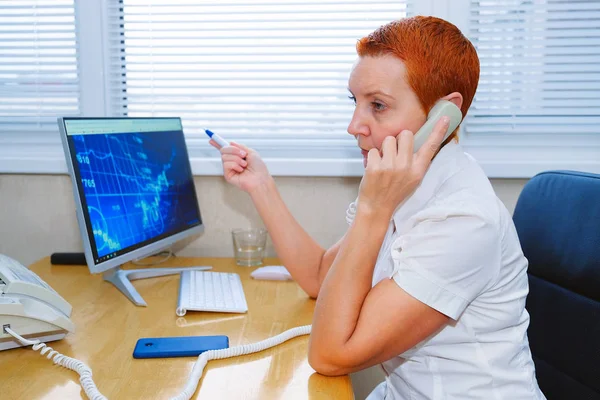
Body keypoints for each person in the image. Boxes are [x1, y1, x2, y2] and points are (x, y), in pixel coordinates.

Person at [210, 16, 545, 400]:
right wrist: (261, 186)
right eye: (356, 102)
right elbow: (321, 276)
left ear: (444, 114)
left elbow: (331, 355)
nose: (355, 125)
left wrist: (374, 209)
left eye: (378, 106)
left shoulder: (464, 220)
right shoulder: (400, 184)